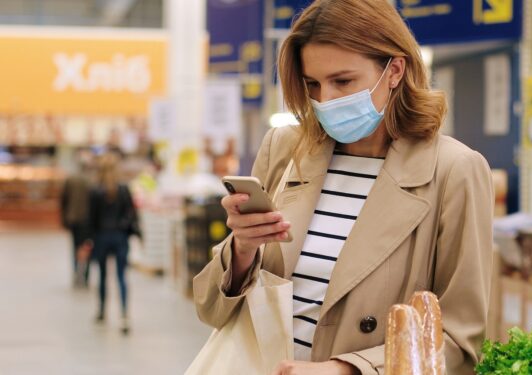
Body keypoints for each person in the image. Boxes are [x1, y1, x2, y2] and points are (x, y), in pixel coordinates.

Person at [193, 0, 493, 373]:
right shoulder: (285, 150)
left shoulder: (454, 172)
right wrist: (242, 250)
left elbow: (459, 342)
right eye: (312, 84)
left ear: (395, 70)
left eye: (343, 81)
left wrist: (347, 369)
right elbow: (209, 308)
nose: (326, 100)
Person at [88, 153, 140, 334]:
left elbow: (91, 218)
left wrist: (89, 239)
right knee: (121, 276)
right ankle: (124, 314)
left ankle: (102, 310)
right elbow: (131, 213)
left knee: (102, 275)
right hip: (120, 237)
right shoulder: (123, 189)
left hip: (102, 236)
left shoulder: (95, 191)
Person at [60, 149, 93, 288]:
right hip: (88, 219)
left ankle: (75, 272)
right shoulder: (92, 180)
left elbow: (64, 200)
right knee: (87, 246)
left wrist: (64, 217)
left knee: (75, 246)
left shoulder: (70, 179)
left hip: (73, 218)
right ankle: (85, 275)